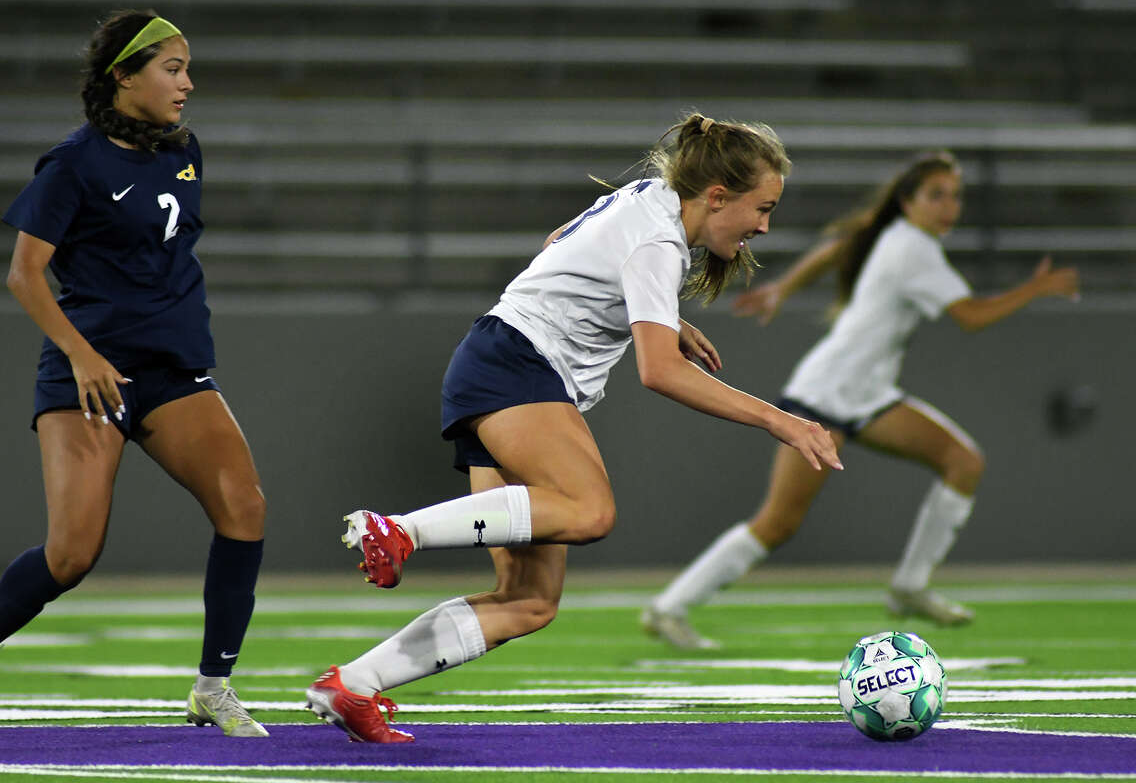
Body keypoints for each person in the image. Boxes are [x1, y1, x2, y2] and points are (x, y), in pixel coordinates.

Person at [302, 114, 844, 743]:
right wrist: (780, 420)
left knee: (529, 601)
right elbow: (659, 371)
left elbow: (559, 242)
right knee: (589, 512)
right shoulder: (659, 241)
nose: (764, 227)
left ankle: (352, 686)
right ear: (716, 196)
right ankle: (396, 531)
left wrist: (655, 311)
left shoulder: (649, 199)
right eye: (762, 208)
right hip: (517, 367)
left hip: (499, 362)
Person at [0, 10, 268, 737]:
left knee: (244, 508)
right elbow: (24, 274)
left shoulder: (186, 152)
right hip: (90, 372)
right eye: (172, 68)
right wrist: (82, 352)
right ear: (123, 75)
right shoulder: (73, 163)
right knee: (73, 554)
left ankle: (213, 687)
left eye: (186, 68)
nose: (188, 83)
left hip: (174, 368)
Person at [642, 150, 1080, 649]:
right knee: (778, 522)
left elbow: (840, 246)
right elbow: (971, 316)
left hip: (868, 397)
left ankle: (910, 586)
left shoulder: (893, 236)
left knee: (963, 462)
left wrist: (784, 286)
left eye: (956, 196)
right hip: (826, 396)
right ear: (908, 202)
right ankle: (668, 609)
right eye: (936, 195)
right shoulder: (913, 249)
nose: (949, 207)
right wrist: (1036, 288)